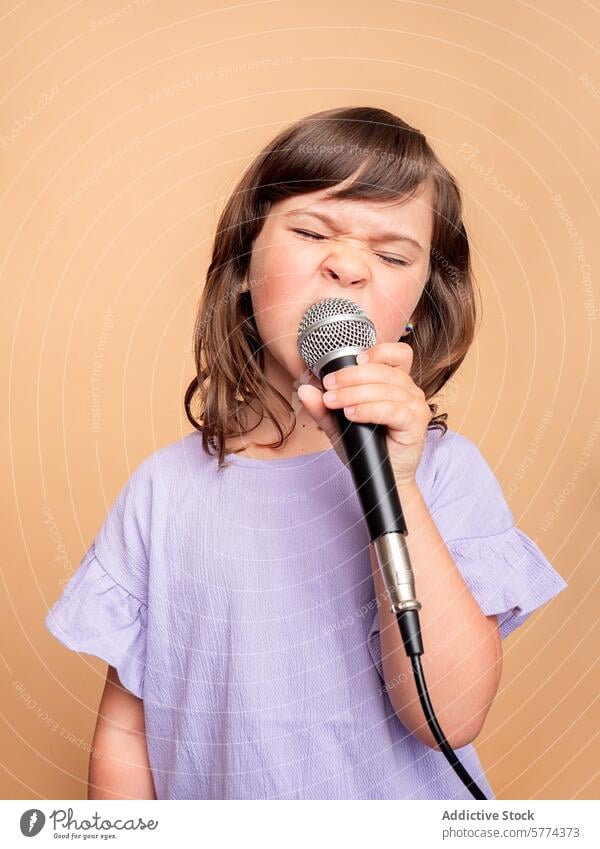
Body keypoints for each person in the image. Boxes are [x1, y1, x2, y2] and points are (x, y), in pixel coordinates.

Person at [45, 105, 568, 800]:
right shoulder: (162, 492)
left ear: (416, 303)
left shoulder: (444, 473)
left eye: (390, 255)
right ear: (241, 266)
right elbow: (126, 730)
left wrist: (397, 484)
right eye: (311, 231)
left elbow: (451, 713)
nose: (347, 265)